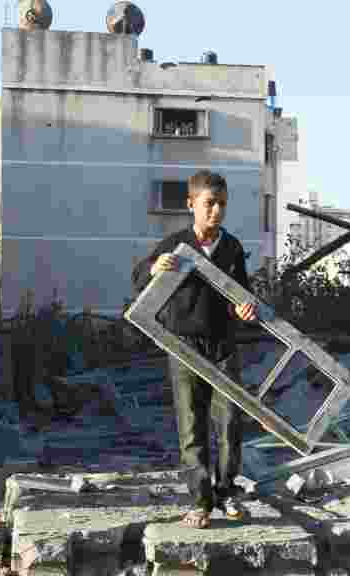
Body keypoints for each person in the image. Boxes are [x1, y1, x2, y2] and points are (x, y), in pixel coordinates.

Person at [132, 170, 258, 529]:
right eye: (209, 204)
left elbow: (242, 293)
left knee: (231, 422)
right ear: (191, 205)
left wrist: (245, 308)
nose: (216, 211)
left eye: (222, 204)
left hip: (223, 345)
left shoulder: (231, 247)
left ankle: (226, 491)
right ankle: (200, 501)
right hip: (184, 345)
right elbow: (139, 276)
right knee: (192, 425)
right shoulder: (175, 244)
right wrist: (155, 267)